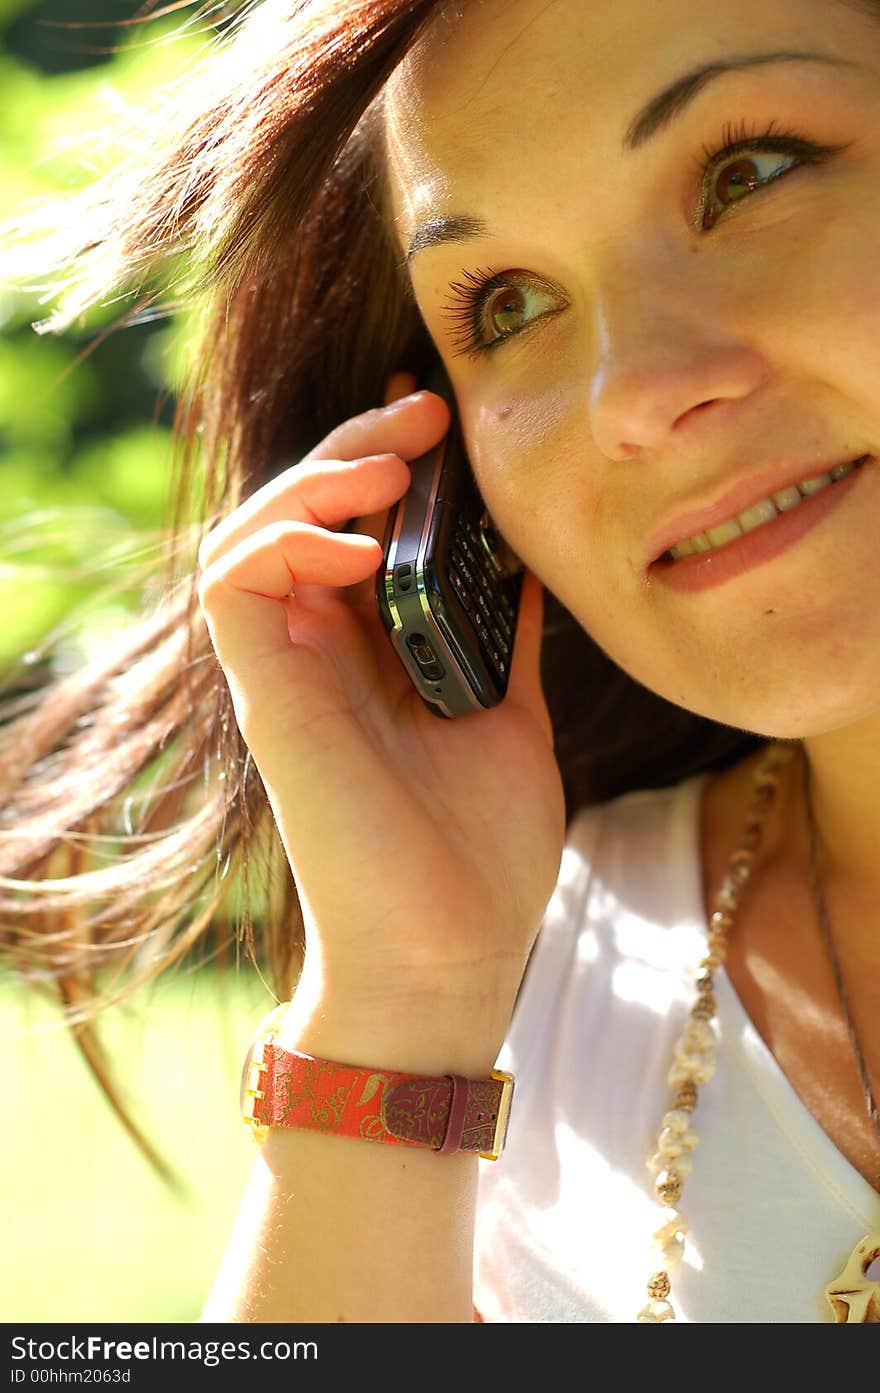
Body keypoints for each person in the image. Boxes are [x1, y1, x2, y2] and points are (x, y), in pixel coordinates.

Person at [3, 0, 879, 1323]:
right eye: (511, 304)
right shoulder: (541, 987)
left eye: (744, 174)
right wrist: (404, 992)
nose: (635, 395)